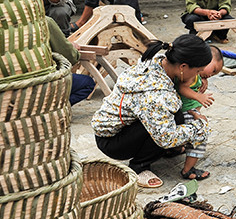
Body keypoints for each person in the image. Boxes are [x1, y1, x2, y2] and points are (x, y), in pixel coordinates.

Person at [92, 35, 212, 188]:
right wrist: (200, 127)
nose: (197, 76)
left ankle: (164, 152)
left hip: (117, 129)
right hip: (112, 141)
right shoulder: (158, 94)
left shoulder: (156, 62)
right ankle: (139, 166)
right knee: (170, 124)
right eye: (197, 71)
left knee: (175, 114)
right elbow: (166, 138)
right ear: (182, 67)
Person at [175, 46, 223, 180]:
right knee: (201, 133)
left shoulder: (195, 75)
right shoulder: (190, 74)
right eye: (213, 70)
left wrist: (204, 79)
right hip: (185, 111)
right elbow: (182, 88)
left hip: (186, 110)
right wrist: (198, 96)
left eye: (214, 74)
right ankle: (188, 170)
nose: (210, 75)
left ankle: (175, 149)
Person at [46, 16, 95, 105]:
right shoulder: (45, 22)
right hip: (42, 84)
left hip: (13, 85)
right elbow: (68, 56)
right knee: (88, 83)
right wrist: (73, 50)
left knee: (60, 11)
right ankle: (58, 107)